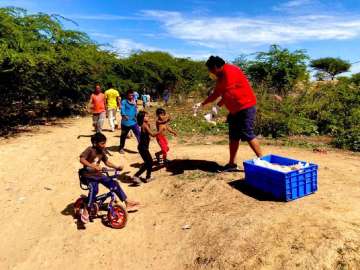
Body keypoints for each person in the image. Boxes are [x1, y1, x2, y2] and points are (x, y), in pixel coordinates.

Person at [198, 56, 263, 172]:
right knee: (233, 136)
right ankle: (231, 164)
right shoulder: (220, 77)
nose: (210, 73)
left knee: (247, 133)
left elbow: (228, 92)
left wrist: (217, 106)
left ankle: (263, 162)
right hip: (235, 110)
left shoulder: (230, 71)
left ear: (217, 67)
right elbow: (217, 93)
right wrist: (202, 104)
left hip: (246, 107)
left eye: (211, 70)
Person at [79, 132, 139, 223]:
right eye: (102, 143)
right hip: (89, 176)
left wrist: (116, 167)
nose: (104, 145)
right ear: (95, 143)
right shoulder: (90, 150)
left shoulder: (102, 151)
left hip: (98, 174)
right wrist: (92, 166)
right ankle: (87, 210)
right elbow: (82, 159)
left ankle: (127, 202)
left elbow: (107, 162)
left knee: (114, 184)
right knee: (94, 190)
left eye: (105, 143)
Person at [132, 111, 158, 184]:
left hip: (143, 147)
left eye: (148, 116)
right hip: (143, 147)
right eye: (146, 116)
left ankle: (147, 177)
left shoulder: (146, 124)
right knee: (149, 162)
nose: (148, 117)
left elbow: (149, 134)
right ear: (142, 118)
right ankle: (136, 176)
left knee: (149, 162)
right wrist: (160, 131)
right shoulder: (144, 125)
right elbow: (152, 134)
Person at [119, 90, 140, 154]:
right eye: (130, 95)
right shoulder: (124, 102)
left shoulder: (134, 102)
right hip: (125, 122)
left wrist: (137, 116)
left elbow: (135, 110)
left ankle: (141, 147)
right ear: (127, 95)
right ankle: (121, 148)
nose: (131, 96)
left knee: (138, 134)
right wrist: (124, 115)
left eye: (132, 95)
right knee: (123, 136)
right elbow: (122, 109)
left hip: (133, 121)